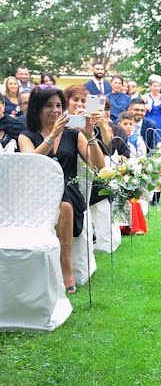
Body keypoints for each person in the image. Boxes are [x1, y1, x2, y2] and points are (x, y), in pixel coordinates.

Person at [17, 86, 106, 293]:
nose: (55, 110)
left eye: (58, 105)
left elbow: (98, 166)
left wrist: (90, 136)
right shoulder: (26, 136)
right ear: (37, 109)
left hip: (69, 189)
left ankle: (65, 266)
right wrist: (52, 135)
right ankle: (65, 269)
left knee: (65, 205)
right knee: (61, 204)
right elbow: (31, 164)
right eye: (48, 105)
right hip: (38, 191)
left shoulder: (73, 134)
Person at [143, 74, 161, 144]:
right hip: (149, 120)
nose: (157, 88)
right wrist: (145, 107)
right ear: (150, 86)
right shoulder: (145, 97)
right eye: (155, 86)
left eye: (159, 86)